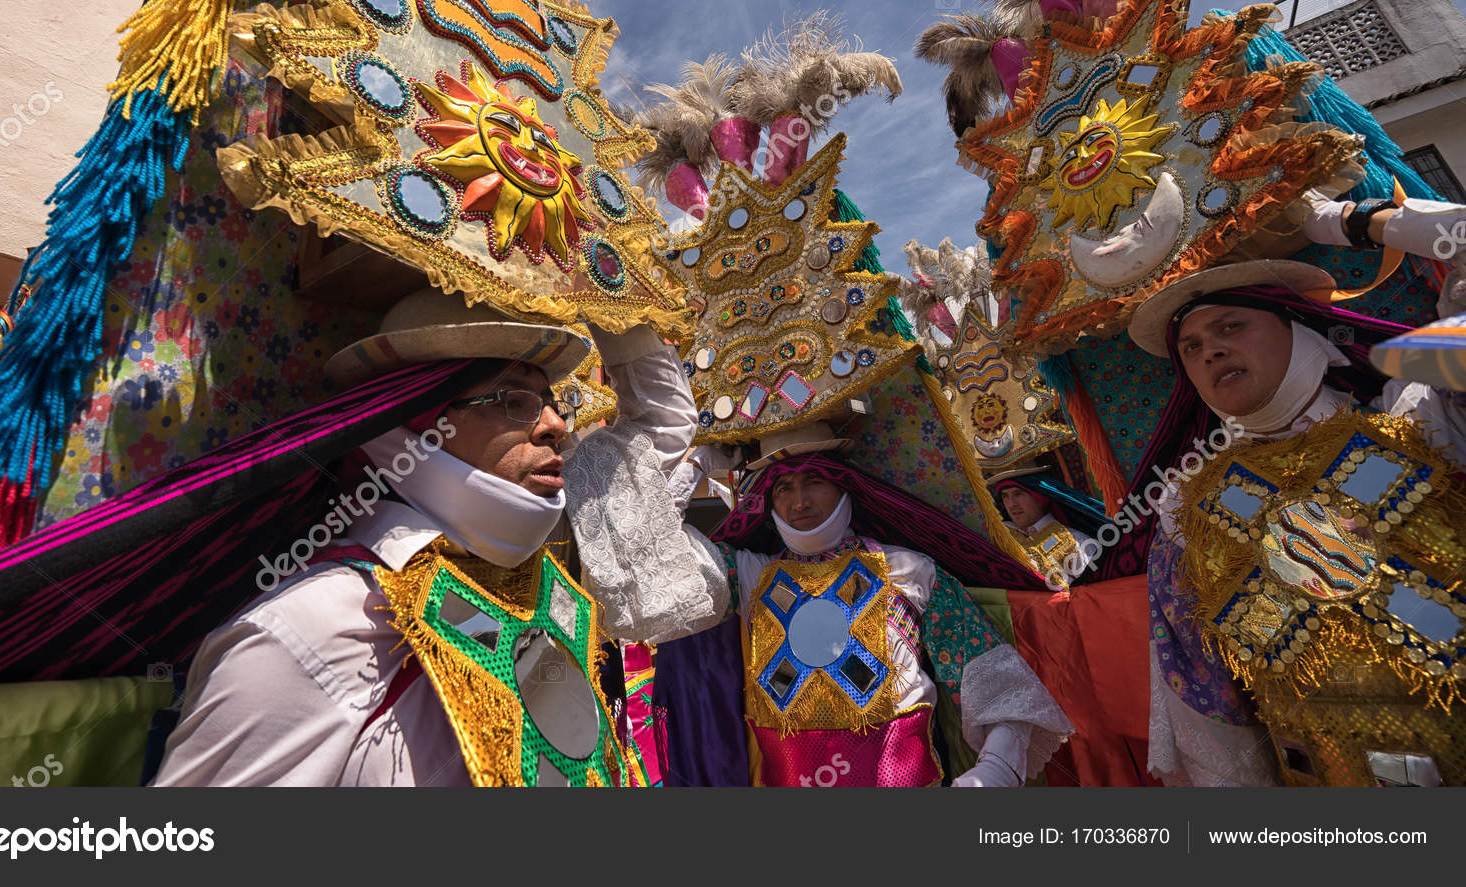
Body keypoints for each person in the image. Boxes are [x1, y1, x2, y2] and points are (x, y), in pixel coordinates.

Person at [153, 288, 696, 786]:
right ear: (416, 420)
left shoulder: (544, 590)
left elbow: (662, 432)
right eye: (513, 400)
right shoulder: (314, 624)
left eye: (553, 401)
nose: (555, 424)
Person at [576, 420, 1073, 787]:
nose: (799, 502)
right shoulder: (749, 576)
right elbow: (650, 548)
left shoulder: (910, 570)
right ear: (767, 503)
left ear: (844, 485)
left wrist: (994, 772)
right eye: (784, 488)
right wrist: (699, 464)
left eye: (813, 481)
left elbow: (996, 681)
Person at [1127, 251, 1466, 786]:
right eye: (1191, 348)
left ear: (1299, 329)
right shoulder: (1182, 518)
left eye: (1231, 326)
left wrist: (1373, 225)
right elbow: (1205, 698)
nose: (1211, 350)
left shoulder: (1421, 418)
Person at [991, 470, 1094, 588]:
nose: (1011, 504)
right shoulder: (997, 541)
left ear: (1039, 498)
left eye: (1018, 494)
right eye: (1005, 496)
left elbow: (1093, 591)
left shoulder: (1076, 541)